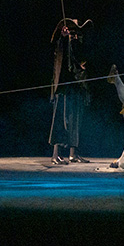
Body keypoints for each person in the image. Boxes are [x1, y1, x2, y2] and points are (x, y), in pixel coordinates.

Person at [48, 18, 92, 165]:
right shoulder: (62, 44)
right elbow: (62, 58)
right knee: (59, 120)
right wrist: (63, 38)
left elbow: (79, 62)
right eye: (73, 32)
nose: (75, 35)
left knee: (75, 121)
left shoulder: (77, 45)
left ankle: (73, 154)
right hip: (62, 89)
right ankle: (55, 155)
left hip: (75, 88)